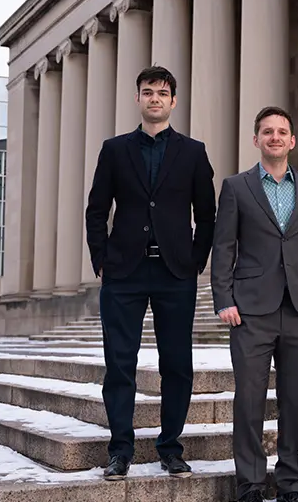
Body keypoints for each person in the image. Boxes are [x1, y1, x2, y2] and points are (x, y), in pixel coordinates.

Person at [85, 66, 216, 480]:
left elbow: (207, 214)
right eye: (148, 92)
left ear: (173, 101)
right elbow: (96, 209)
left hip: (175, 272)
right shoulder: (114, 149)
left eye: (162, 92)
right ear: (138, 99)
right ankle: (120, 450)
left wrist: (196, 259)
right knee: (119, 364)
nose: (155, 98)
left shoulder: (193, 152)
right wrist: (101, 258)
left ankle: (170, 447)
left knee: (176, 364)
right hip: (124, 271)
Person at [211, 106, 298, 502]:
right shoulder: (236, 187)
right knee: (249, 400)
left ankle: (290, 485)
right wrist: (224, 299)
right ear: (256, 140)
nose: (275, 137)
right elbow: (223, 247)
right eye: (268, 132)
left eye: (282, 132)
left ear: (292, 141)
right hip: (250, 312)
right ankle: (249, 484)